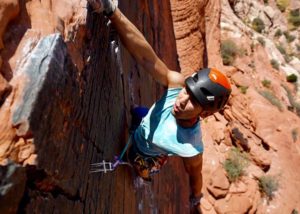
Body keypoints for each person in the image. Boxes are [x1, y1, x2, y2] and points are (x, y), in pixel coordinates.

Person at [88, 0, 232, 212]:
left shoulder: (190, 146)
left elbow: (195, 174)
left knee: (138, 163)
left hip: (145, 155)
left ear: (207, 113)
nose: (182, 100)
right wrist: (111, 11)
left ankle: (142, 171)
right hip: (147, 126)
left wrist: (196, 197)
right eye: (187, 91)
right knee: (139, 113)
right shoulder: (176, 84)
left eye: (193, 101)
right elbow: (147, 58)